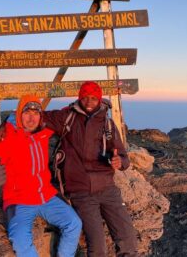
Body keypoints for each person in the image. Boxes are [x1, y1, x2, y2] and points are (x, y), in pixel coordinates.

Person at [0, 95, 82, 257]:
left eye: (36, 113)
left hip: (46, 195)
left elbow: (65, 114)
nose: (31, 118)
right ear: (20, 113)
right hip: (19, 200)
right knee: (20, 239)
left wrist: (83, 104)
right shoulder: (6, 137)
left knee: (74, 223)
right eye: (27, 113)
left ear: (41, 115)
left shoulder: (45, 131)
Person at [42, 81, 138, 257]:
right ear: (80, 98)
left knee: (128, 239)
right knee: (97, 246)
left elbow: (123, 157)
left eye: (93, 98)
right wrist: (8, 123)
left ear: (99, 99)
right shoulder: (67, 117)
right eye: (85, 97)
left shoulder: (107, 124)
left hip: (108, 188)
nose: (89, 101)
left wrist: (120, 161)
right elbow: (36, 116)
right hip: (81, 191)